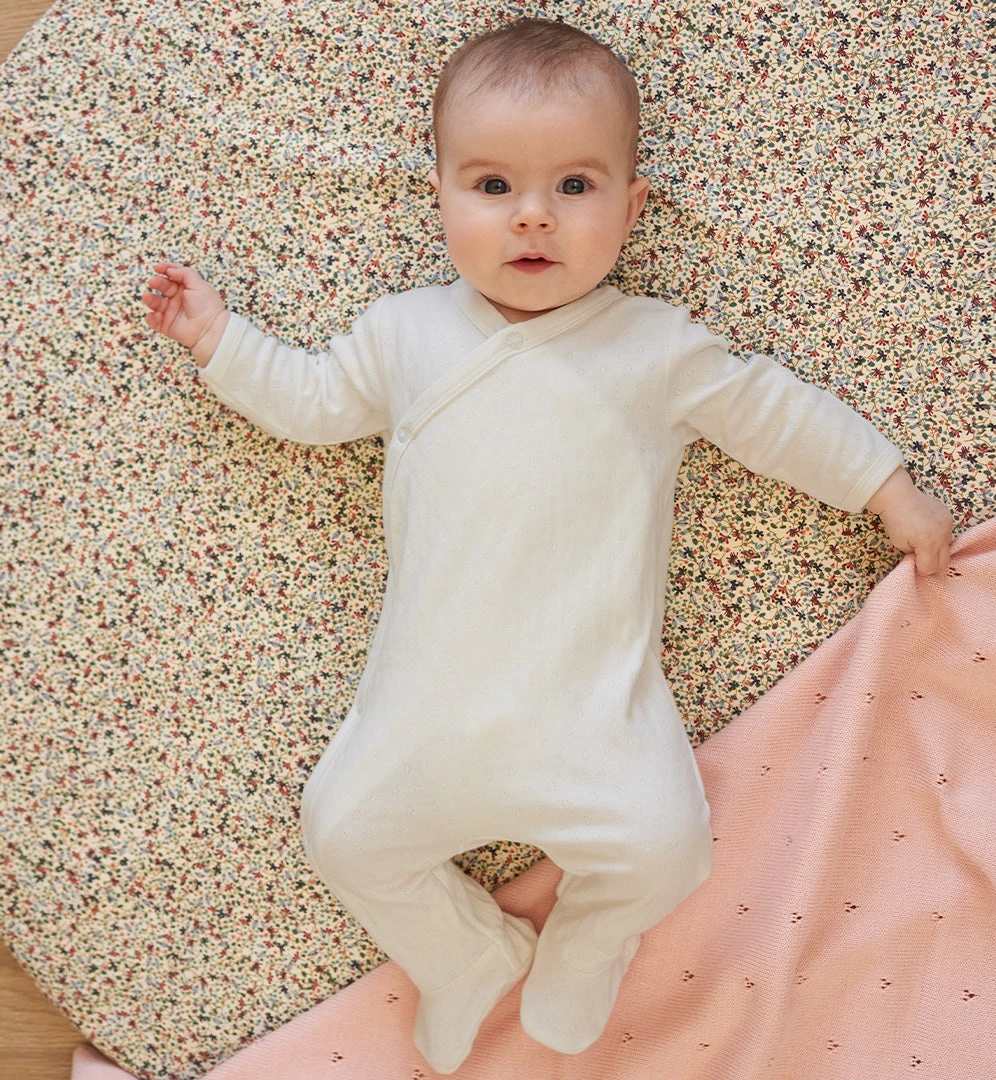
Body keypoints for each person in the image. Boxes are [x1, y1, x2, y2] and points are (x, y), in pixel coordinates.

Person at [141, 16, 953, 1074]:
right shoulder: (405, 334)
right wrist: (221, 341)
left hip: (593, 719)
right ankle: (465, 955)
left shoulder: (654, 348)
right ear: (440, 196)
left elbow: (773, 414)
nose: (533, 215)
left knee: (669, 850)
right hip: (423, 718)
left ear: (633, 207)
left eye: (574, 186)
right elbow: (312, 399)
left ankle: (590, 937)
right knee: (341, 834)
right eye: (492, 186)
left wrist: (885, 486)